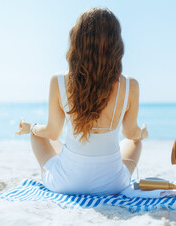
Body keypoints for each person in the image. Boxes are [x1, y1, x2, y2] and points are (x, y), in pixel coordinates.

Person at [15, 8, 148, 195]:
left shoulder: (58, 81)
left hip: (68, 184)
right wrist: (142, 133)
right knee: (135, 142)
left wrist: (31, 127)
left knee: (37, 135)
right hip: (113, 185)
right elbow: (130, 132)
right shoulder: (130, 85)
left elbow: (53, 133)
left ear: (77, 41)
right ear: (116, 44)